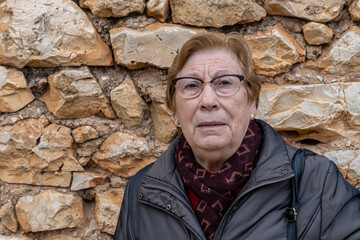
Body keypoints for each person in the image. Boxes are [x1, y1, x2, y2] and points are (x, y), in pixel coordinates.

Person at [114, 32, 360, 240]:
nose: (208, 101)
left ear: (252, 101)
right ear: (175, 109)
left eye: (225, 83)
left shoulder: (315, 182)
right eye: (191, 85)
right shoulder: (142, 193)